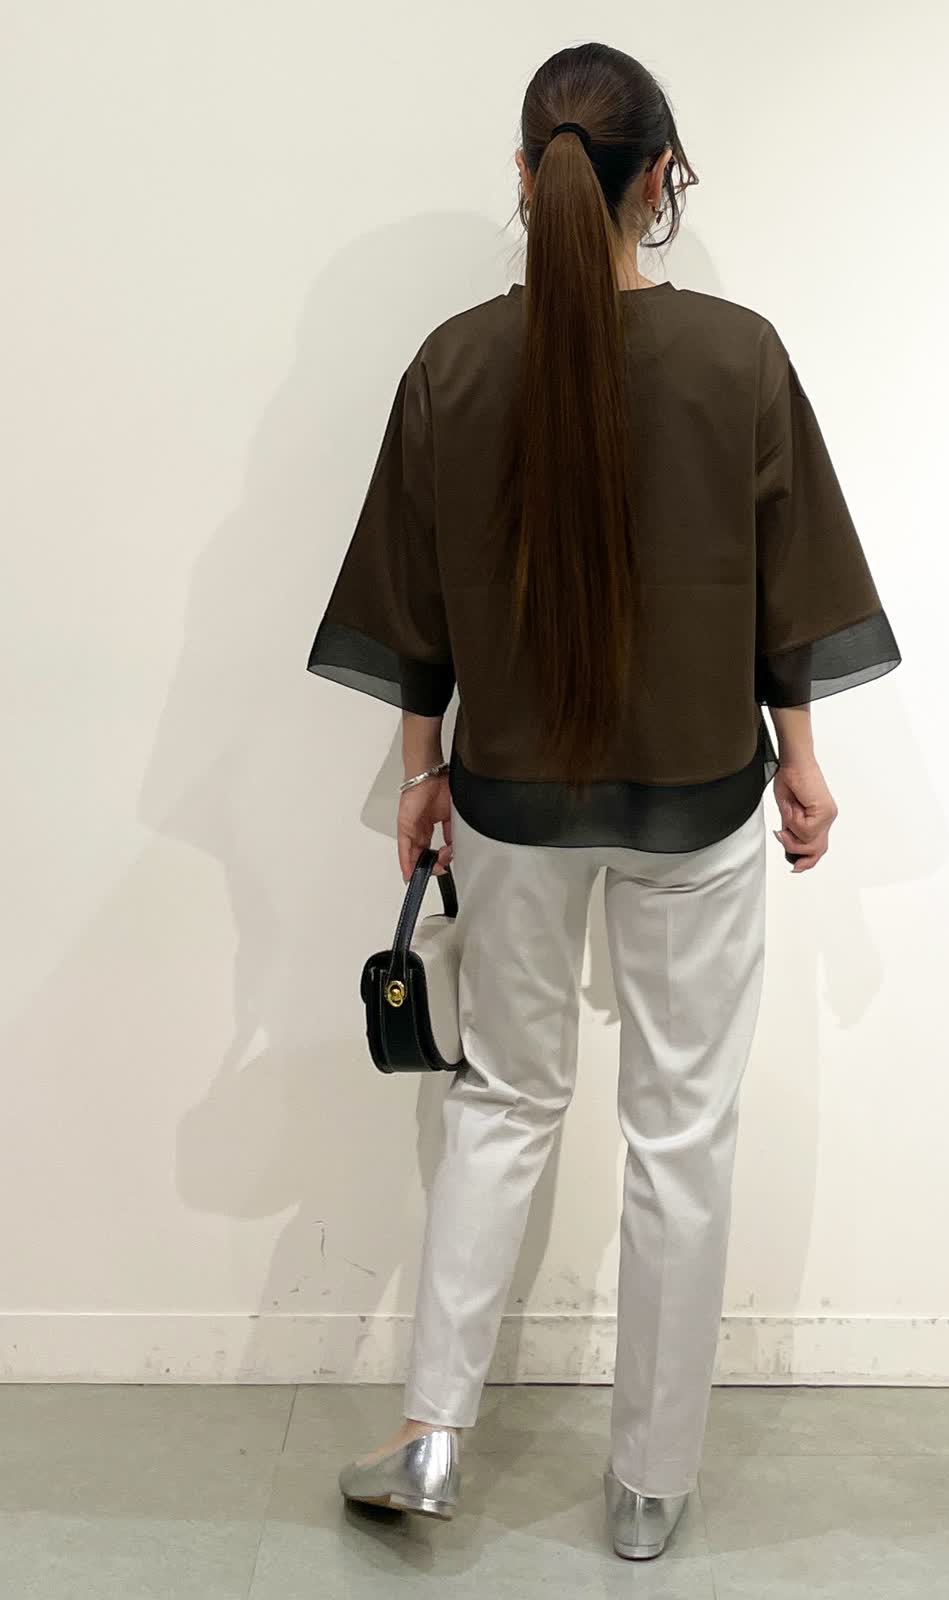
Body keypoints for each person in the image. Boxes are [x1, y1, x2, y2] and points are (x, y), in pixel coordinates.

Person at [307, 40, 901, 1562]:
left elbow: (411, 602)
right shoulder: (738, 356)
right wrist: (803, 757)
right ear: (663, 178)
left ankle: (435, 1435)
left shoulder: (454, 365)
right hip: (697, 795)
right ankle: (648, 1485)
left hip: (511, 798)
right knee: (681, 1132)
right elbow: (787, 586)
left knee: (503, 1102)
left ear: (525, 179)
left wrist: (422, 772)